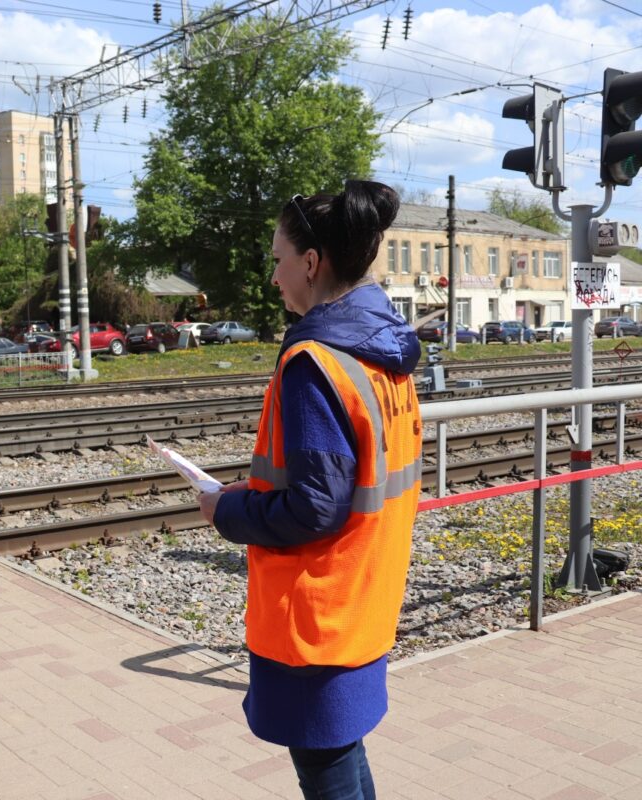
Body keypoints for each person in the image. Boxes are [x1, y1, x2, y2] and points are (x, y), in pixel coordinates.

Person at [198, 180, 421, 800]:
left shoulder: (314, 362)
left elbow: (316, 506)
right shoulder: (382, 351)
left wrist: (228, 509)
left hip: (316, 611)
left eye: (277, 259)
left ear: (312, 263)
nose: (273, 276)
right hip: (366, 591)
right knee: (341, 753)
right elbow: (348, 480)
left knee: (326, 769)